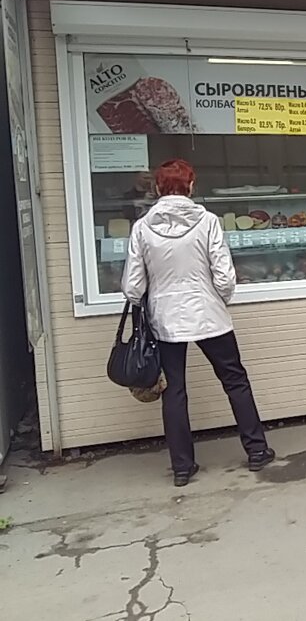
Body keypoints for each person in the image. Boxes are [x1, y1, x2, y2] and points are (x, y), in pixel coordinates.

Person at [122, 159, 275, 487]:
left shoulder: (142, 227)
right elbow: (224, 277)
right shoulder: (208, 222)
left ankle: (182, 467)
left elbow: (133, 287)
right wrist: (220, 299)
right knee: (235, 380)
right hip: (209, 315)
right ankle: (257, 450)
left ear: (158, 188)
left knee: (174, 390)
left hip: (165, 320)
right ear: (191, 186)